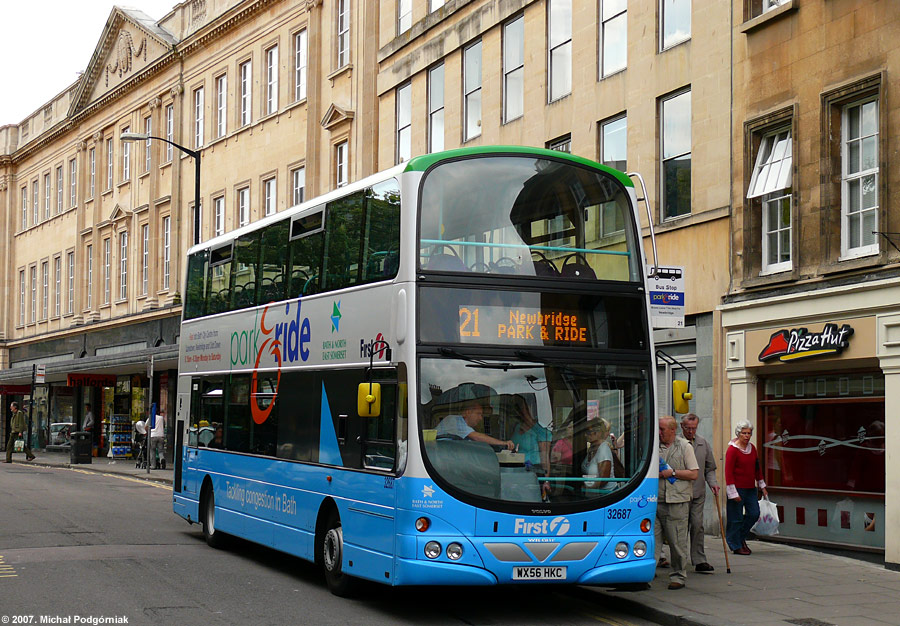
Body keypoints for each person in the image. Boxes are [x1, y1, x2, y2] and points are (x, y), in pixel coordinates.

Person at [655, 415, 698, 590]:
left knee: (676, 541)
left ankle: (678, 575)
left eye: (662, 429)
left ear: (673, 430)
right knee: (653, 541)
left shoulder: (685, 447)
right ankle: (646, 572)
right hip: (655, 500)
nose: (659, 432)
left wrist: (672, 473)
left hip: (677, 501)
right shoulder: (654, 446)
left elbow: (693, 474)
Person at [680, 413, 719, 573]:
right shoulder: (676, 443)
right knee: (678, 528)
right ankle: (678, 560)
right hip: (679, 493)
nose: (691, 431)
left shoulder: (703, 443)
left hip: (698, 492)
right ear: (682, 427)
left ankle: (699, 560)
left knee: (697, 525)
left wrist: (713, 484)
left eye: (694, 428)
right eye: (688, 428)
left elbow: (710, 467)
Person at [725, 419, 768, 555]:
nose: (747, 436)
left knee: (754, 514)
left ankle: (740, 537)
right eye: (744, 433)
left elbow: (757, 468)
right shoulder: (732, 450)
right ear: (739, 434)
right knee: (735, 517)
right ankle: (735, 544)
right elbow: (728, 471)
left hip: (750, 488)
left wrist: (762, 485)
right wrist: (732, 492)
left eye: (749, 433)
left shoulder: (752, 448)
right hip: (737, 488)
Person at [436, 399, 514, 450]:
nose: (481, 418)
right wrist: (503, 443)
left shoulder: (465, 429)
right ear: (468, 412)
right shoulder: (454, 420)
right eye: (478, 414)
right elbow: (477, 437)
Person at [581, 418, 614, 489]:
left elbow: (604, 480)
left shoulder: (603, 449)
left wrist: (586, 488)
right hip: (595, 493)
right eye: (585, 432)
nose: (585, 435)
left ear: (599, 433)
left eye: (589, 432)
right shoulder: (591, 448)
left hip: (607, 494)